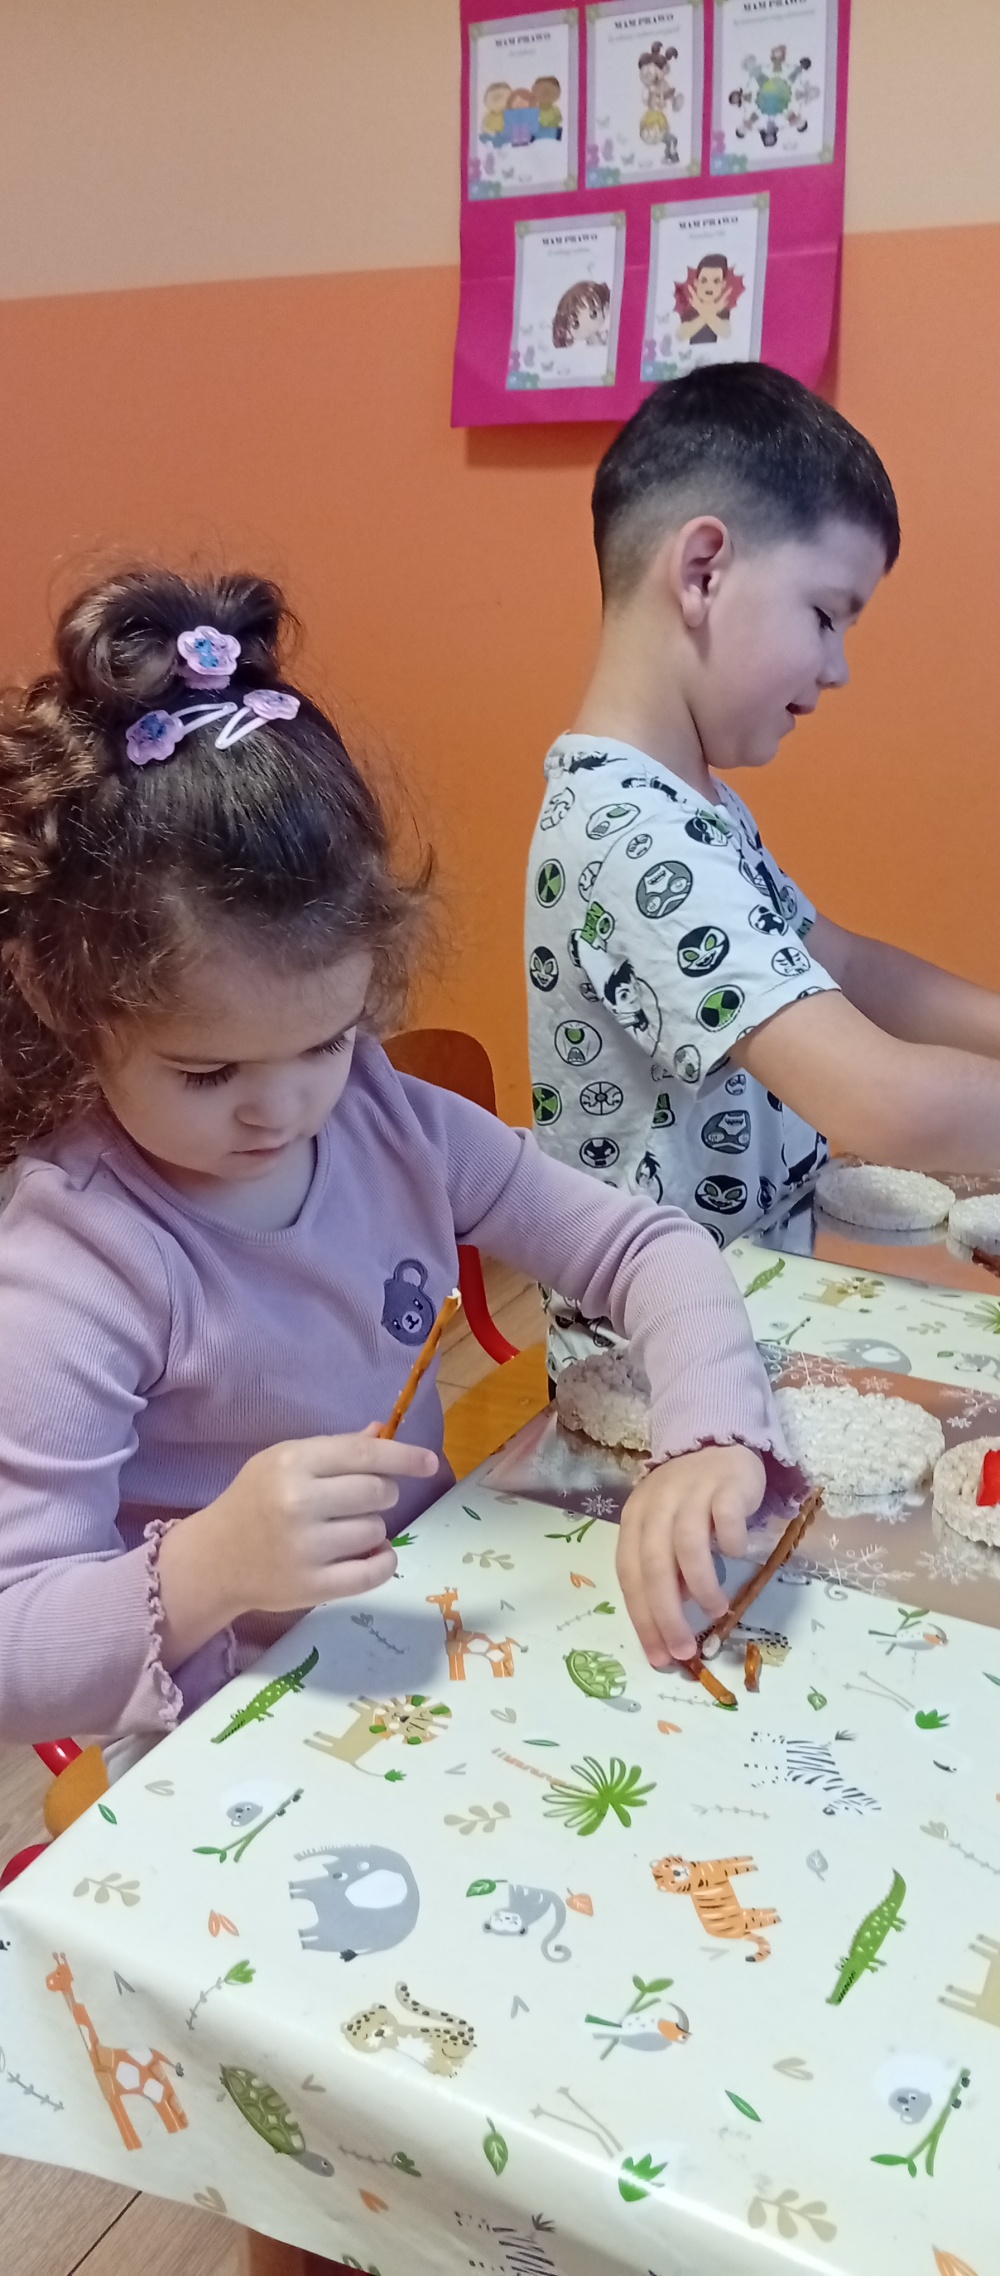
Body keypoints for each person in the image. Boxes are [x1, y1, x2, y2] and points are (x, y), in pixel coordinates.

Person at [0, 569, 798, 1737]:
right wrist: (213, 1562)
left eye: (327, 1040)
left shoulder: (384, 1117)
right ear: (61, 997)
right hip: (229, 1738)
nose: (283, 1111)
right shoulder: (74, 1267)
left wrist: (708, 1435)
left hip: (426, 1651)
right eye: (208, 1073)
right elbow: (17, 1647)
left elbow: (646, 1248)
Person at [526, 361, 1000, 1374]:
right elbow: (880, 1100)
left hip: (743, 1312)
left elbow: (846, 964)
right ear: (703, 571)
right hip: (663, 1377)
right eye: (826, 614)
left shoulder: (686, 807)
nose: (838, 667)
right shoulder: (632, 835)